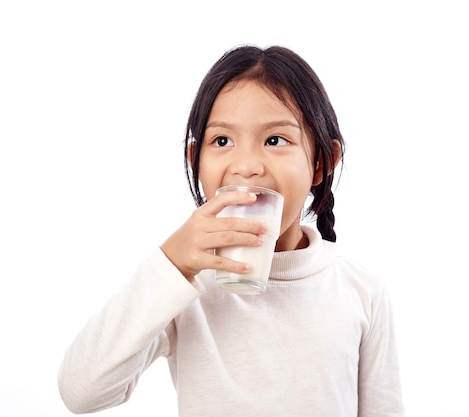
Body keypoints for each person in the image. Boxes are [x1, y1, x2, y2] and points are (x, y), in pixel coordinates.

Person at [58, 45, 405, 417]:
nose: (247, 166)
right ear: (197, 160)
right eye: (222, 141)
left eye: (275, 140)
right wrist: (172, 262)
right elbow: (82, 392)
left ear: (321, 163)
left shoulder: (361, 290)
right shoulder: (182, 287)